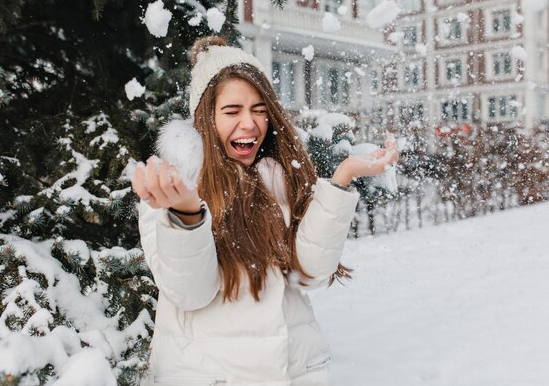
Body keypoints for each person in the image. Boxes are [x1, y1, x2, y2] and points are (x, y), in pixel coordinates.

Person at [132, 36, 399, 386]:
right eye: (232, 111)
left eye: (259, 110)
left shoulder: (277, 177)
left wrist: (341, 179)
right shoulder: (170, 189)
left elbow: (311, 273)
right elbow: (189, 293)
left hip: (293, 373)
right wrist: (187, 215)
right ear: (205, 119)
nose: (250, 124)